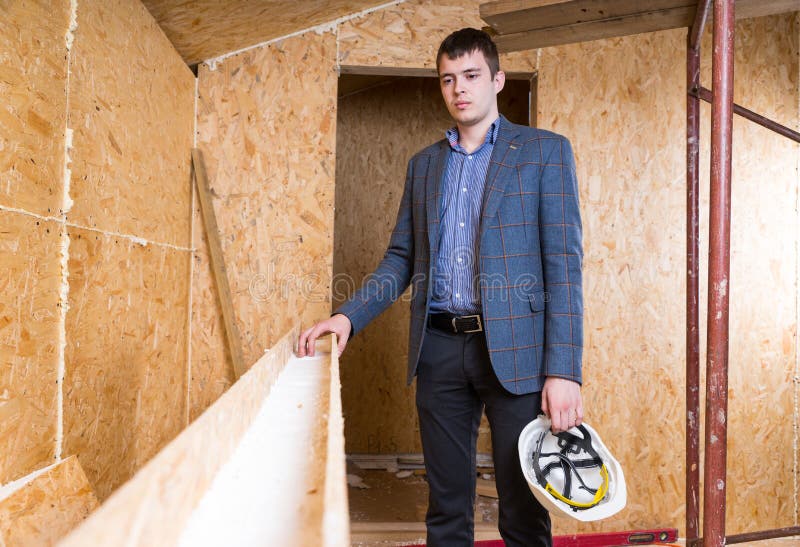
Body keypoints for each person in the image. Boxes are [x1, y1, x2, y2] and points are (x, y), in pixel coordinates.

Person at [297, 27, 584, 547]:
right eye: (448, 79)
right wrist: (347, 317)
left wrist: (564, 370)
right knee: (447, 510)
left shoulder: (545, 153)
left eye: (471, 76)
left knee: (521, 511)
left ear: (496, 80)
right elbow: (401, 259)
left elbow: (563, 265)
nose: (460, 89)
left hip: (517, 355)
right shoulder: (424, 166)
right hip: (439, 350)